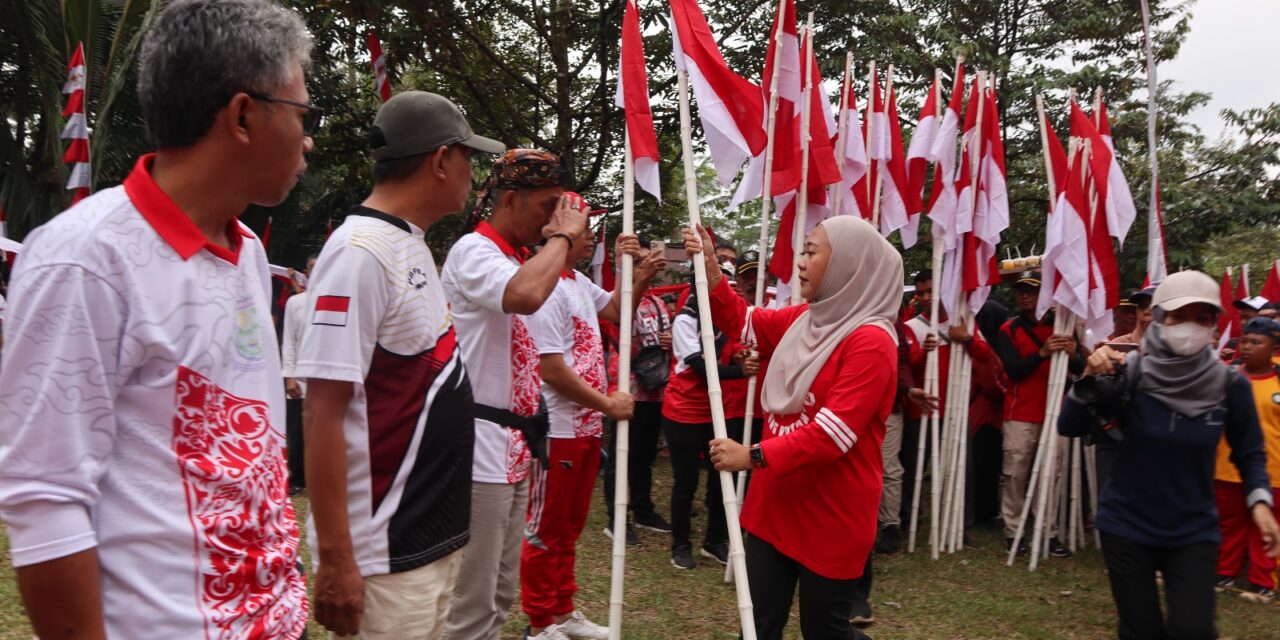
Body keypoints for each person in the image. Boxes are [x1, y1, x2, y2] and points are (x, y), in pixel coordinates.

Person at [0, 1, 313, 637]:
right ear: (244, 116)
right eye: (304, 114)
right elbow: (46, 501)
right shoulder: (85, 258)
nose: (309, 138)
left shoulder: (247, 252)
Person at [298, 91, 502, 639]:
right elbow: (321, 412)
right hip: (383, 548)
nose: (472, 172)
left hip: (425, 536)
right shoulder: (360, 252)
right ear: (440, 160)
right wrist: (338, 559)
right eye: (468, 157)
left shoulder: (407, 243)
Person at [691, 216, 900, 640]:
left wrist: (749, 457)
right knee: (758, 624)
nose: (800, 262)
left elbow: (832, 434)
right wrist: (711, 270)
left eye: (811, 251)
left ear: (849, 263)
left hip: (832, 512)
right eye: (802, 251)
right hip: (775, 504)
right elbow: (742, 321)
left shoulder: (872, 341)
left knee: (824, 631)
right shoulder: (805, 318)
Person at [1060, 271, 1280, 640]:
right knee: (1140, 629)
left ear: (1214, 326)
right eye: (1179, 316)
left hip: (1192, 528)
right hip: (1127, 525)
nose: (1189, 326)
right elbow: (1069, 426)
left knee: (1192, 630)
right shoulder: (1131, 372)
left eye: (1202, 317)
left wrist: (1259, 504)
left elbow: (1249, 452)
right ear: (1159, 319)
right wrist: (1088, 376)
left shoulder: (1230, 384)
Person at [440, 150, 588, 640]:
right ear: (510, 200)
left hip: (512, 446)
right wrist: (564, 236)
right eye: (547, 206)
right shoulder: (473, 252)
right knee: (474, 596)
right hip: (479, 444)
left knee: (501, 592)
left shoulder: (512, 258)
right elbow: (524, 296)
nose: (553, 220)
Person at [521, 208, 649, 640]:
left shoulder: (576, 281)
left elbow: (615, 307)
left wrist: (640, 270)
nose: (590, 237)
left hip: (585, 428)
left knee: (570, 527)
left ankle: (562, 611)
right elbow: (552, 370)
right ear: (557, 231)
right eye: (583, 230)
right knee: (546, 529)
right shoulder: (545, 286)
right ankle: (540, 623)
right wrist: (608, 405)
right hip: (556, 429)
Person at [661, 272, 758, 571]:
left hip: (717, 411)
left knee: (721, 477)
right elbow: (702, 367)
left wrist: (742, 358)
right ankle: (680, 545)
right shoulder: (686, 320)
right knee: (686, 481)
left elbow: (733, 352)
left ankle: (714, 541)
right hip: (683, 411)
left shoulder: (726, 322)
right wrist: (740, 372)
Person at [995, 273, 1082, 558]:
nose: (1024, 297)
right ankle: (1013, 531)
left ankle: (1047, 532)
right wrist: (1042, 353)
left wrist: (1074, 354)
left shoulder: (1064, 327)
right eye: (1021, 292)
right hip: (1020, 412)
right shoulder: (1009, 329)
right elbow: (1013, 370)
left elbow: (1081, 369)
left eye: (1031, 292)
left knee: (1050, 474)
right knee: (1015, 473)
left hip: (1054, 412)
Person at [602, 239, 672, 543]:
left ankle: (643, 510)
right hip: (627, 386)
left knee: (644, 454)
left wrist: (669, 341)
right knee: (622, 454)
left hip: (655, 388)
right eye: (638, 260)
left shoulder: (657, 303)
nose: (645, 265)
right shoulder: (617, 299)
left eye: (647, 259)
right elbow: (621, 325)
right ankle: (616, 517)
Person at [1214, 317, 1280, 603]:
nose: (1248, 347)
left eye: (1256, 342)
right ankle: (1223, 572)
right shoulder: (1227, 378)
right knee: (1229, 524)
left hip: (1272, 471)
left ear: (1274, 348)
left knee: (1264, 528)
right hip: (1226, 468)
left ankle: (1263, 582)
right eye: (1244, 341)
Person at [281, 253, 317, 493]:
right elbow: (289, 342)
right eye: (313, 268)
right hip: (299, 379)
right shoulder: (296, 303)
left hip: (326, 382)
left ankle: (319, 478)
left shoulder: (340, 301)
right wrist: (289, 376)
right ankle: (297, 479)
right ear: (306, 272)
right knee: (297, 433)